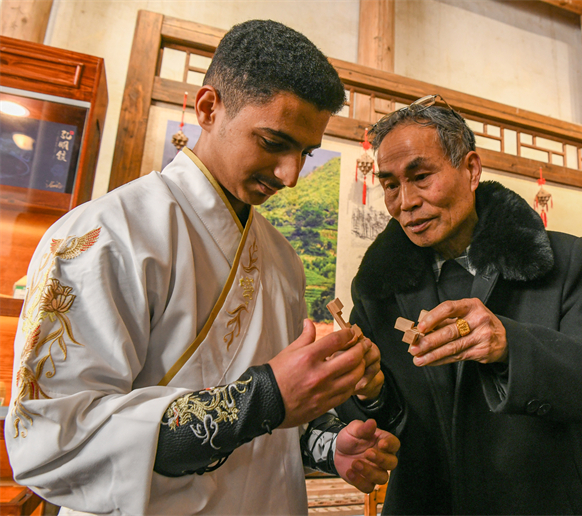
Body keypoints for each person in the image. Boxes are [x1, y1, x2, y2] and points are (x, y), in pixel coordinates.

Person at [5, 20, 399, 515]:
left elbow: (276, 428)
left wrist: (330, 447)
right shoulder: (104, 235)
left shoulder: (282, 258)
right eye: (273, 142)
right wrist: (264, 398)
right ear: (209, 108)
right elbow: (54, 442)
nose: (291, 174)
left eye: (304, 152)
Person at [334, 95, 582, 515]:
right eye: (390, 185)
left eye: (421, 177)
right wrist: (369, 393)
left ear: (471, 170)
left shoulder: (563, 261)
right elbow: (379, 423)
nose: (405, 202)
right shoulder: (377, 288)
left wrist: (510, 345)